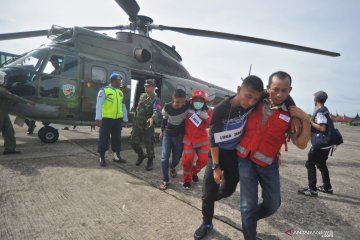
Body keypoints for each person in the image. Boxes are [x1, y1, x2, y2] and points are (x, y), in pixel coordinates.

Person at [236, 71, 310, 240]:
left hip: (268, 163)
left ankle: (249, 220)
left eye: (284, 90)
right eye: (276, 89)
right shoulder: (255, 101)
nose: (279, 94)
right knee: (247, 205)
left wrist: (305, 119)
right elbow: (240, 97)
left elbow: (301, 144)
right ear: (268, 88)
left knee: (273, 204)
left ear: (290, 90)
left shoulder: (292, 114)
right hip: (245, 159)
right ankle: (249, 233)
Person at [194, 75, 264, 239]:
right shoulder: (220, 109)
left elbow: (278, 94)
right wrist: (216, 167)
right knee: (207, 193)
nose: (251, 102)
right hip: (217, 154)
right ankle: (206, 223)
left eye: (255, 99)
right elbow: (213, 140)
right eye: (248, 96)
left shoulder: (253, 102)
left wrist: (298, 115)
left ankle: (215, 196)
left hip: (235, 155)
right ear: (239, 90)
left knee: (229, 190)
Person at [298, 91, 333, 197]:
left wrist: (310, 122)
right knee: (322, 164)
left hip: (320, 144)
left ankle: (312, 190)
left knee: (310, 164)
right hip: (327, 144)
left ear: (316, 100)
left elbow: (322, 128)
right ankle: (327, 187)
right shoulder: (325, 109)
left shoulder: (320, 111)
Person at [158, 89, 189, 190]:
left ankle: (172, 167)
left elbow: (202, 104)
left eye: (182, 102)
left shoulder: (187, 106)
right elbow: (164, 119)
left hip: (179, 135)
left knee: (176, 158)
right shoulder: (167, 107)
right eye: (177, 102)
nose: (180, 104)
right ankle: (165, 179)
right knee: (164, 157)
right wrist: (162, 131)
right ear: (173, 98)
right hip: (168, 133)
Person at [181, 90, 212, 189]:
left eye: (201, 100)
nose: (198, 102)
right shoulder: (186, 108)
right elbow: (177, 109)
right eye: (196, 100)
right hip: (189, 139)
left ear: (204, 102)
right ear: (192, 100)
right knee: (187, 160)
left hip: (202, 140)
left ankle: (193, 172)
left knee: (204, 160)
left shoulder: (208, 111)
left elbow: (212, 124)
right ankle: (187, 180)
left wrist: (206, 117)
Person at [95, 73, 128, 167]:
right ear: (112, 81)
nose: (120, 82)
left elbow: (123, 106)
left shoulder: (120, 92)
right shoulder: (104, 90)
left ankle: (116, 156)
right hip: (106, 119)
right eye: (118, 80)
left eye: (120, 80)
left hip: (117, 120)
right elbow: (99, 104)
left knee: (117, 138)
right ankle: (102, 157)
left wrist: (125, 119)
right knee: (104, 138)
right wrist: (98, 118)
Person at [131, 79, 162, 171]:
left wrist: (152, 118)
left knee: (149, 144)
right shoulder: (142, 96)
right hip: (137, 124)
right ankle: (141, 155)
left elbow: (157, 111)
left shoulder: (156, 100)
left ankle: (150, 160)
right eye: (145, 86)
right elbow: (137, 108)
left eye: (148, 86)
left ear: (153, 88)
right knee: (133, 142)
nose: (146, 87)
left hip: (147, 125)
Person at [0, 87, 22, 155]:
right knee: (8, 130)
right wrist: (28, 101)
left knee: (9, 130)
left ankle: (10, 149)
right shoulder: (2, 90)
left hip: (4, 113)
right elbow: (12, 97)